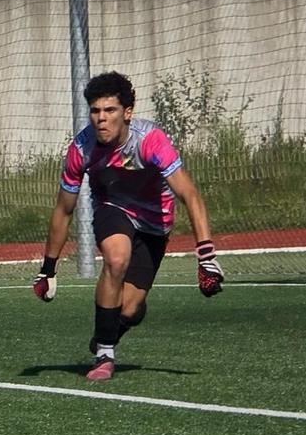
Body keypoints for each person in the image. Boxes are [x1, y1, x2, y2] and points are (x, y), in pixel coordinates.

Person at [33, 71, 223, 383]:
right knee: (116, 258)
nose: (101, 119)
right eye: (95, 111)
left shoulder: (150, 141)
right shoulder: (81, 149)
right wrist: (48, 269)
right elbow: (63, 210)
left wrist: (206, 257)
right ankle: (105, 353)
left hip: (155, 221)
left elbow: (189, 194)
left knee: (132, 309)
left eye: (110, 111)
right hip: (113, 209)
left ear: (127, 113)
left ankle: (111, 328)